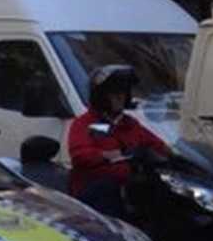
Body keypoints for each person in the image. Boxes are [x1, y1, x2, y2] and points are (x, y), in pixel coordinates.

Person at [67, 64, 169, 216]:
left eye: (123, 92)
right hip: (96, 193)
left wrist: (175, 157)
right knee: (107, 188)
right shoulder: (85, 123)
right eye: (114, 92)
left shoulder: (129, 124)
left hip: (131, 189)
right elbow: (80, 156)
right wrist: (117, 154)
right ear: (101, 96)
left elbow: (157, 145)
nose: (121, 96)